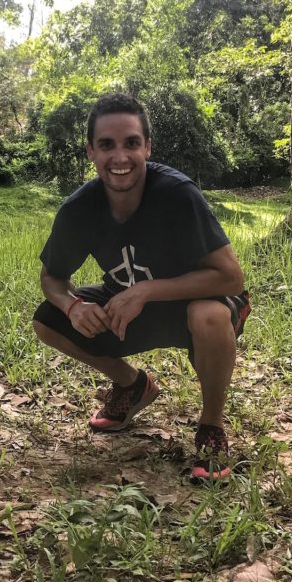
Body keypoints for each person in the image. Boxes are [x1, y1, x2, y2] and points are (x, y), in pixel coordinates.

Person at [33, 93, 250, 481]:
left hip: (191, 303)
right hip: (125, 308)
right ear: (90, 152)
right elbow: (52, 279)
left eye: (131, 143)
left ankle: (212, 425)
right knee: (47, 320)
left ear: (147, 147)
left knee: (210, 314)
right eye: (107, 145)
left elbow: (231, 277)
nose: (120, 157)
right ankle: (132, 385)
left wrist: (146, 291)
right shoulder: (78, 209)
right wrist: (72, 307)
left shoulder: (177, 194)